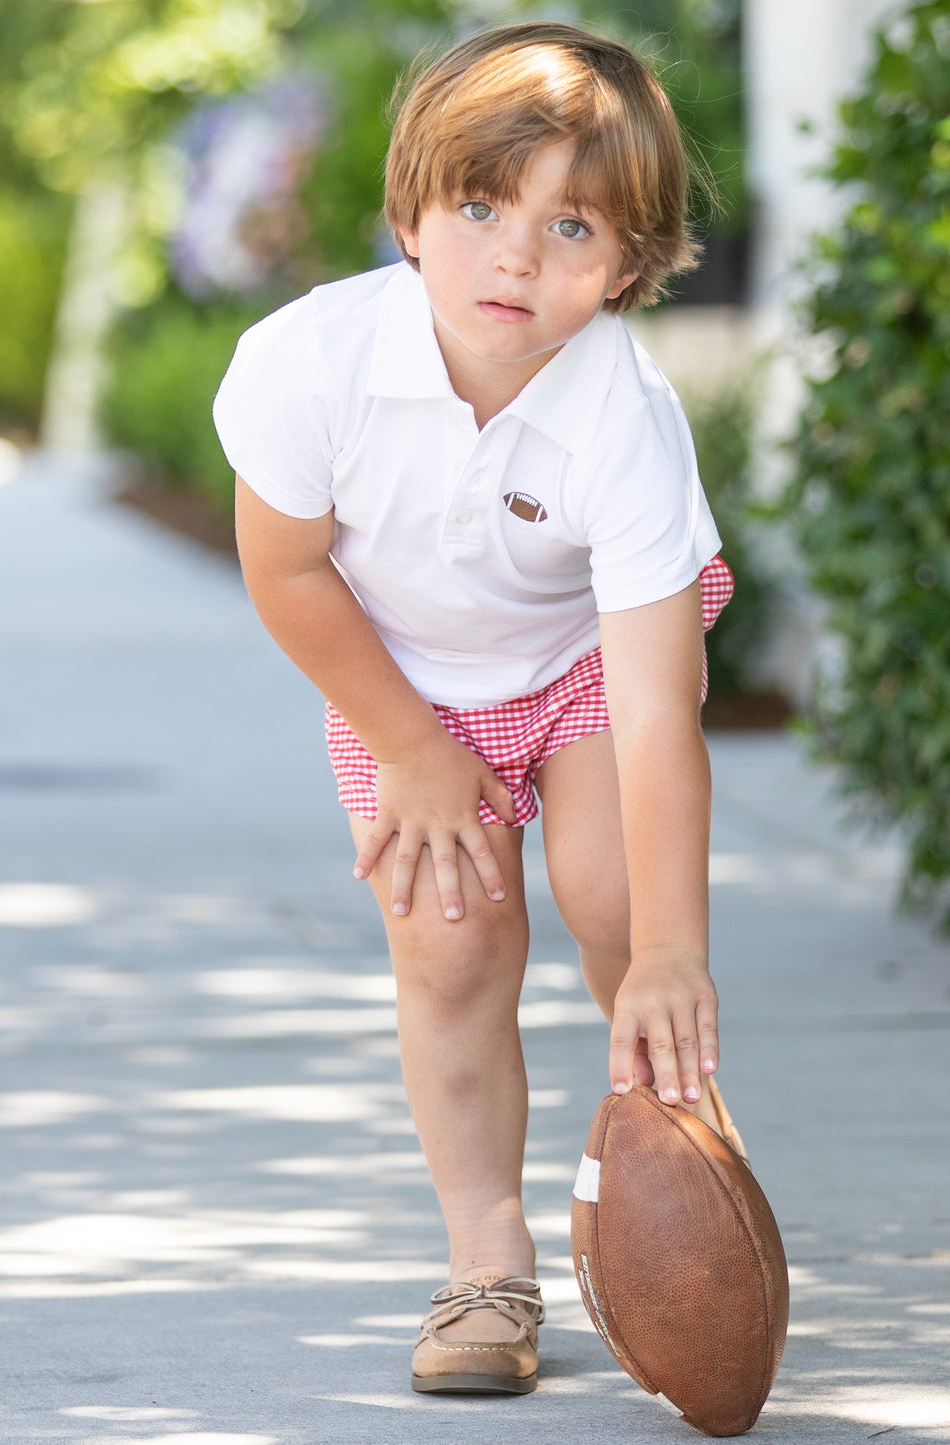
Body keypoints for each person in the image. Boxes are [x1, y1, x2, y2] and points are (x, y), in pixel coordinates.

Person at [213, 19, 737, 1398]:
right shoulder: (303, 362)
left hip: (581, 662)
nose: (514, 253)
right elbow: (283, 569)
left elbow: (651, 715)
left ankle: (662, 1110)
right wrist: (411, 749)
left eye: (572, 226)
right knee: (450, 943)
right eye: (478, 205)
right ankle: (486, 1261)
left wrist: (674, 948)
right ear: (406, 212)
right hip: (397, 673)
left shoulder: (619, 417)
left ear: (629, 263)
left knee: (616, 891)